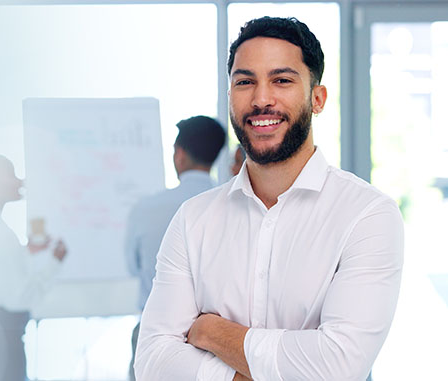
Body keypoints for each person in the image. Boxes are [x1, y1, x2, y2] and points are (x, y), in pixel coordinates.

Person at [134, 17, 403, 381]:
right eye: (245, 82)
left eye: (282, 80)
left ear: (317, 99)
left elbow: (338, 366)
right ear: (230, 97)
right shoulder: (192, 219)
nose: (261, 99)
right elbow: (152, 362)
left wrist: (212, 333)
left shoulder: (367, 216)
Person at [123, 115, 226, 381]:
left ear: (179, 155)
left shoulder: (145, 209)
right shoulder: (235, 206)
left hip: (154, 338)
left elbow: (133, 267)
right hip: (219, 344)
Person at [0, 154, 67, 381]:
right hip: (6, 340)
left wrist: (24, 252)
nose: (19, 181)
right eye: (11, 174)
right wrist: (54, 263)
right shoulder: (1, 235)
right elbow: (18, 298)